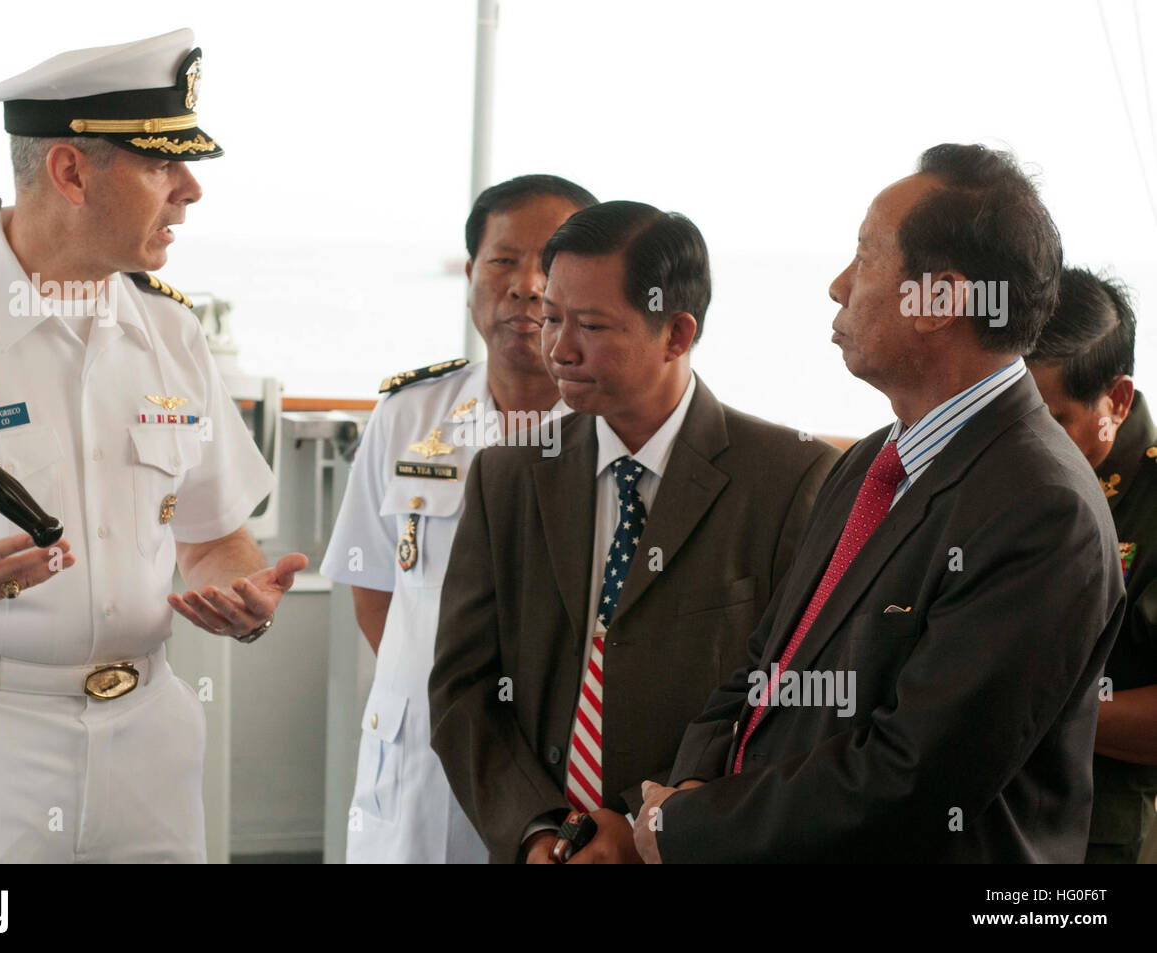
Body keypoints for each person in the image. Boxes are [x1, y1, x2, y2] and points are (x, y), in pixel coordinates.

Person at [0, 28, 306, 863]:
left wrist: (243, 591)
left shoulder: (171, 334)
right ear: (69, 172)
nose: (191, 190)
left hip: (151, 748)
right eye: (160, 164)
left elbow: (211, 537)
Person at [635, 144, 1125, 864]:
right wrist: (688, 788)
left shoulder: (1043, 508)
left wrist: (693, 827)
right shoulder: (874, 459)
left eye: (865, 258)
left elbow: (912, 775)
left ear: (941, 299)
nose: (838, 285)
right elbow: (766, 665)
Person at [429, 200, 839, 864]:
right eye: (552, 319)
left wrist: (651, 824)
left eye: (591, 325)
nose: (559, 348)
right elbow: (463, 688)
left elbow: (794, 700)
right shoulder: (507, 477)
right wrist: (538, 829)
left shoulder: (791, 479)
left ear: (676, 333)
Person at [320, 174, 596, 863]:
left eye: (552, 264)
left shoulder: (613, 430)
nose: (527, 285)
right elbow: (375, 587)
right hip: (414, 765)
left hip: (555, 766)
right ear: (472, 274)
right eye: (504, 260)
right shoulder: (409, 414)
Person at [1027, 267, 1157, 863]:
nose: (1027, 445)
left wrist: (1025, 705)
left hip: (1091, 841)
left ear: (1117, 400)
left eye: (1052, 423)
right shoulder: (1002, 477)